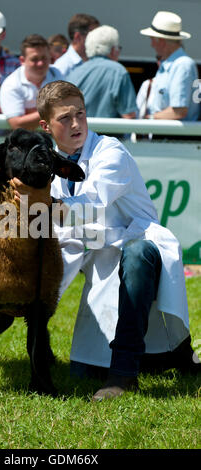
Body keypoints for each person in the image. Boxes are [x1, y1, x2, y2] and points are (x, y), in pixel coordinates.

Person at [11, 80, 200, 401]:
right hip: (101, 260)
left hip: (142, 247)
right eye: (65, 119)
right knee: (83, 372)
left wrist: (41, 203)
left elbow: (93, 203)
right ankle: (172, 355)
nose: (75, 124)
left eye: (80, 115)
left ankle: (123, 375)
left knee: (138, 254)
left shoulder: (111, 151)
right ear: (45, 126)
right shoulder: (49, 164)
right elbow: (58, 232)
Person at [140, 11, 199, 121]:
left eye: (152, 39)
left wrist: (149, 119)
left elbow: (178, 111)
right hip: (169, 134)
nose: (151, 44)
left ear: (161, 41)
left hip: (173, 136)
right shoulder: (175, 65)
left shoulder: (181, 65)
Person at [67, 25, 137, 118]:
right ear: (113, 50)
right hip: (109, 132)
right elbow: (129, 115)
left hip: (79, 131)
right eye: (118, 48)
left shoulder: (74, 73)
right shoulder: (118, 71)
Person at [0, 34, 63, 131]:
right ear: (22, 60)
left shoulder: (57, 75)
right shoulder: (11, 84)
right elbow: (17, 125)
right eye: (34, 59)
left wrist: (31, 114)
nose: (40, 63)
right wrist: (51, 110)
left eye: (44, 58)